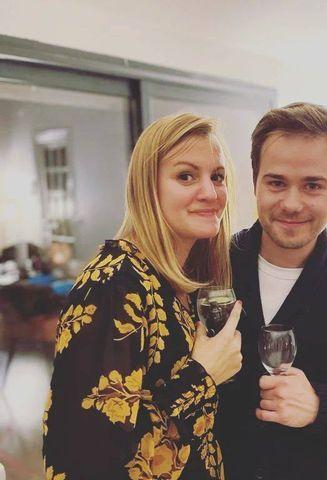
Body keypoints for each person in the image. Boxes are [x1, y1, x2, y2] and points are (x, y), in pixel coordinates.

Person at [42, 113, 242, 480]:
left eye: (217, 176)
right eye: (186, 176)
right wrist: (204, 375)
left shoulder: (179, 279)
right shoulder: (115, 282)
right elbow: (85, 458)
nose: (211, 193)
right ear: (146, 187)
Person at [216, 102, 327, 480]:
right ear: (255, 182)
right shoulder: (209, 268)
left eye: (313, 185)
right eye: (276, 182)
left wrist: (319, 406)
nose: (292, 204)